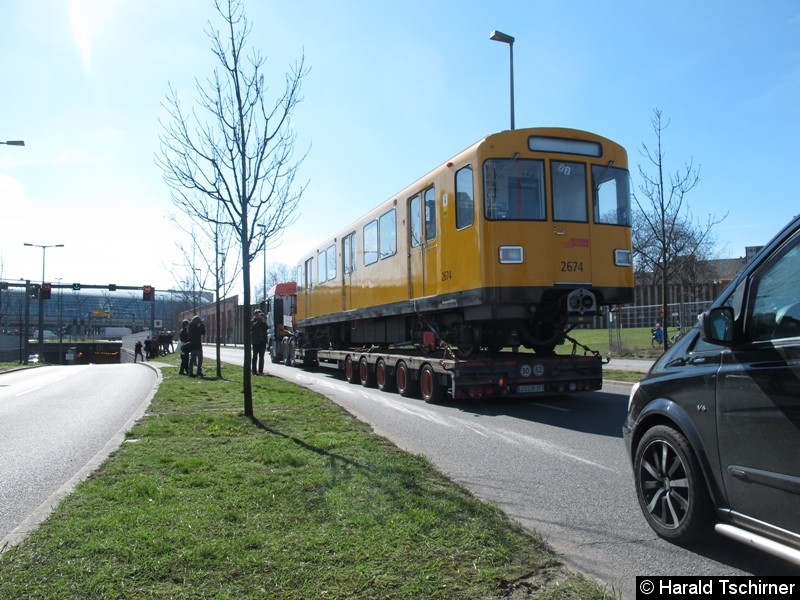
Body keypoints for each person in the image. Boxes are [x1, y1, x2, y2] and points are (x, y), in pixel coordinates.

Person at [250, 309, 269, 375]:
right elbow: (254, 326)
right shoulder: (253, 321)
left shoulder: (262, 321)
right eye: (258, 314)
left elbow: (266, 327)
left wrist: (263, 321)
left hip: (262, 342)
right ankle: (254, 371)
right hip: (256, 342)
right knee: (255, 356)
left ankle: (261, 371)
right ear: (255, 315)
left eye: (260, 314)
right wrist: (259, 320)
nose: (259, 315)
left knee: (262, 357)